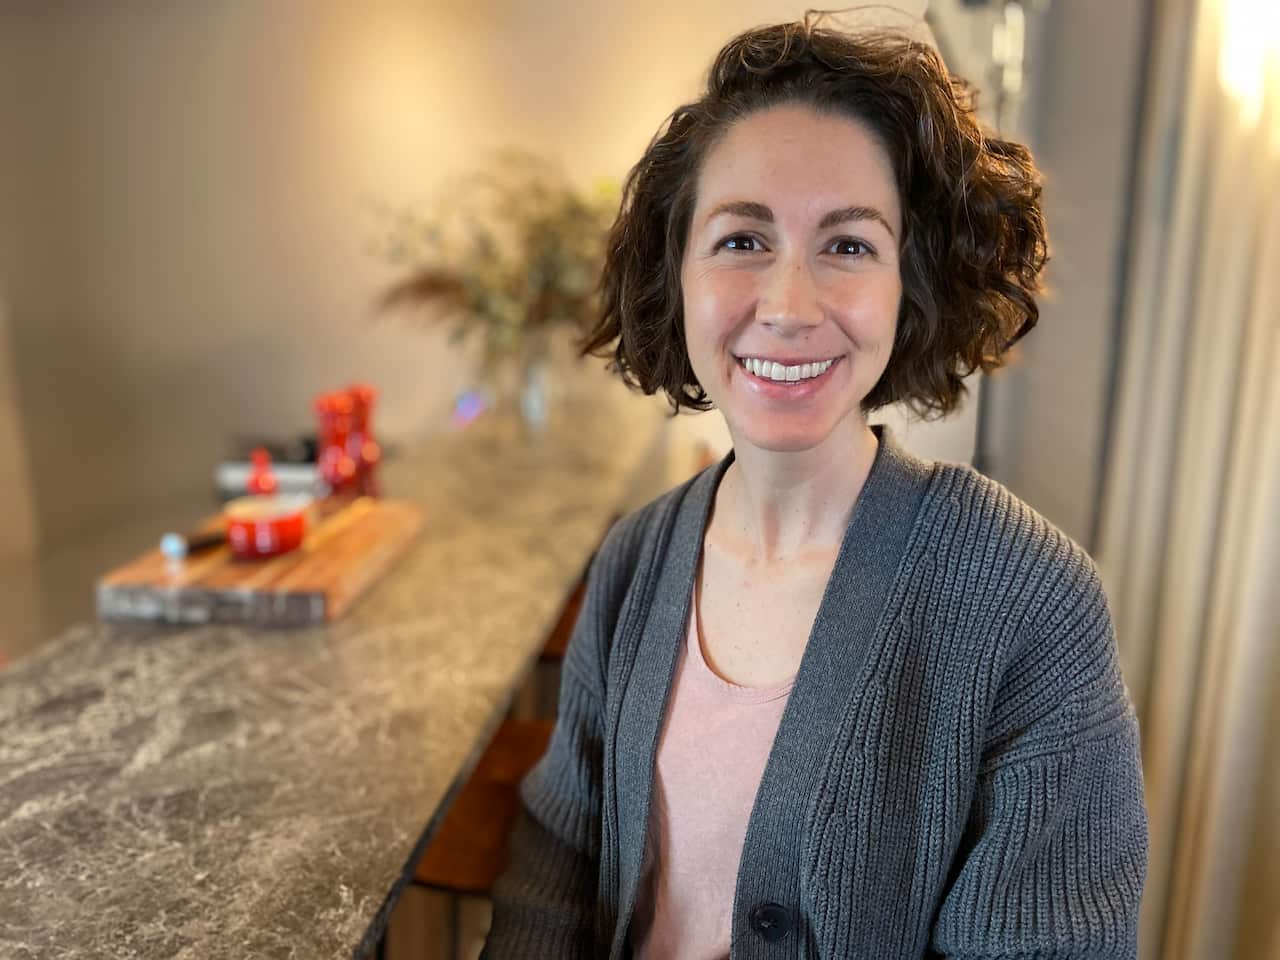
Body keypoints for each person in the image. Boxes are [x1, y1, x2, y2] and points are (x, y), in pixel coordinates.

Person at [482, 13, 1148, 959]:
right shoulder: (636, 558)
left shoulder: (1032, 606)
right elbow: (556, 866)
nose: (788, 306)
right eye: (742, 240)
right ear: (677, 276)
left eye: (847, 246)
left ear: (908, 285)